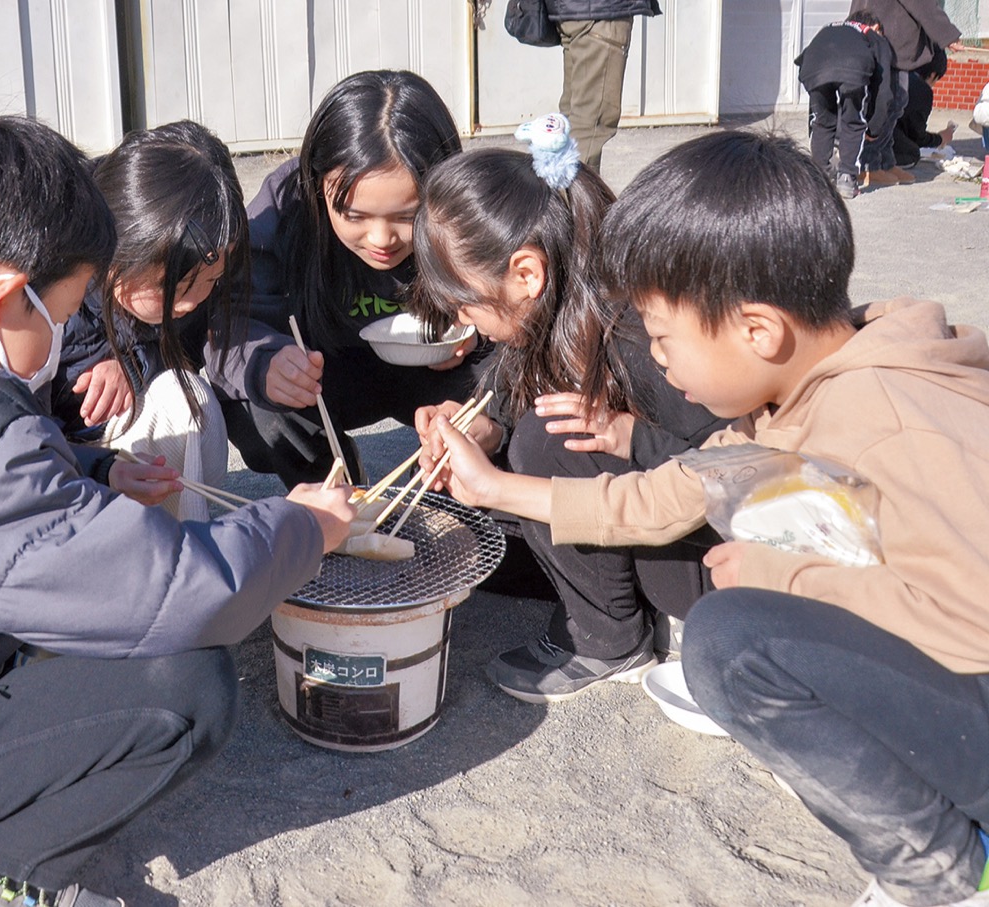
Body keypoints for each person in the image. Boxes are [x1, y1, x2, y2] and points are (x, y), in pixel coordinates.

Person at [0, 116, 355, 907]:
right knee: (185, 686)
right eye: (61, 307)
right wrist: (303, 527)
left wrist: (97, 468)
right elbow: (181, 589)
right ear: (2, 299)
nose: (67, 327)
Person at [429, 129, 989, 907]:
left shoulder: (888, 417)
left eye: (663, 338)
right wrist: (491, 487)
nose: (657, 359)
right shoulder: (789, 400)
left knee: (733, 643)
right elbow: (659, 497)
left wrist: (776, 573)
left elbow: (971, 620)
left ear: (757, 330)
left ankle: (949, 874)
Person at [410, 114, 725, 703]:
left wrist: (634, 439)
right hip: (660, 531)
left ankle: (610, 637)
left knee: (543, 441)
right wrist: (482, 425)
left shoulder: (641, 336)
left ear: (526, 272)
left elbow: (732, 473)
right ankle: (622, 608)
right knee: (470, 504)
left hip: (713, 560)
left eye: (466, 303)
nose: (460, 322)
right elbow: (508, 389)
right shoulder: (562, 301)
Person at [217, 69, 491, 489]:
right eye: (354, 216)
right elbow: (228, 321)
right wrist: (266, 361)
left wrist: (477, 331)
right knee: (254, 404)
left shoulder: (471, 206)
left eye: (407, 217)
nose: (381, 240)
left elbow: (526, 315)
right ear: (317, 184)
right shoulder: (283, 209)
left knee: (508, 394)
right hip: (323, 378)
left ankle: (474, 480)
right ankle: (336, 481)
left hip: (435, 375)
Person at [52, 119, 249, 522]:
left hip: (118, 441)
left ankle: (185, 541)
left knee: (190, 401)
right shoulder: (55, 283)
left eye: (210, 283)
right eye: (174, 288)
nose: (190, 304)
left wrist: (131, 365)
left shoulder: (185, 260)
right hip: (53, 455)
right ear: (124, 250)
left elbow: (183, 355)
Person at [848, 0, 964, 188]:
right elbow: (922, 4)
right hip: (884, 38)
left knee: (896, 102)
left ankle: (885, 162)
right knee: (883, 104)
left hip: (888, 41)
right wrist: (948, 35)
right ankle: (869, 164)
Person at [542, 0, 662, 172]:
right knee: (590, 125)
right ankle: (574, 197)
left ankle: (559, 195)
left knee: (572, 119)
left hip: (572, 11)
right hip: (601, 14)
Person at [795, 11, 894, 199]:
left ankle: (820, 178)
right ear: (875, 28)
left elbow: (804, 57)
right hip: (853, 69)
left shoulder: (830, 28)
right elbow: (884, 89)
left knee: (823, 122)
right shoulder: (873, 37)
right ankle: (847, 179)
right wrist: (874, 128)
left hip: (812, 69)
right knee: (853, 121)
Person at [892, 49, 955, 168]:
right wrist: (941, 138)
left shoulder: (896, 72)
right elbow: (917, 136)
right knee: (912, 153)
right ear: (932, 75)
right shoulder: (922, 90)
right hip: (886, 138)